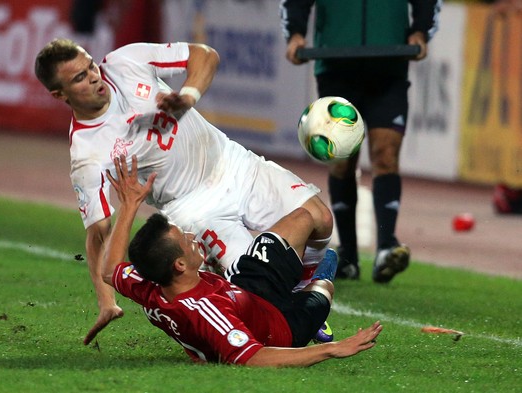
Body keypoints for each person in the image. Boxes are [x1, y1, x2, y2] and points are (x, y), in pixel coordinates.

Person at [34, 38, 334, 344]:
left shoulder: (126, 62)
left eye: (90, 65)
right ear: (60, 94)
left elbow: (205, 56)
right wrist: (106, 301)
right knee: (258, 300)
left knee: (320, 218)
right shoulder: (87, 152)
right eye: (79, 78)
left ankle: (304, 287)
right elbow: (99, 232)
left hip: (233, 162)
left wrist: (189, 95)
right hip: (196, 211)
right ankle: (289, 296)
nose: (95, 76)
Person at [99, 154, 382, 366]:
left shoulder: (150, 283)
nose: (192, 236)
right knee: (323, 284)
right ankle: (312, 290)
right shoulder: (205, 310)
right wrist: (334, 349)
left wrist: (128, 206)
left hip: (246, 291)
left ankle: (295, 279)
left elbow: (109, 270)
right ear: (180, 265)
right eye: (186, 240)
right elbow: (253, 357)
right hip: (283, 328)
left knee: (304, 217)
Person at [280, 0, 442, 283]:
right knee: (341, 161)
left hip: (389, 64)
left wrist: (420, 30)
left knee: (385, 154)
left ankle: (385, 247)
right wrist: (295, 33)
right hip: (336, 65)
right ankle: (349, 256)